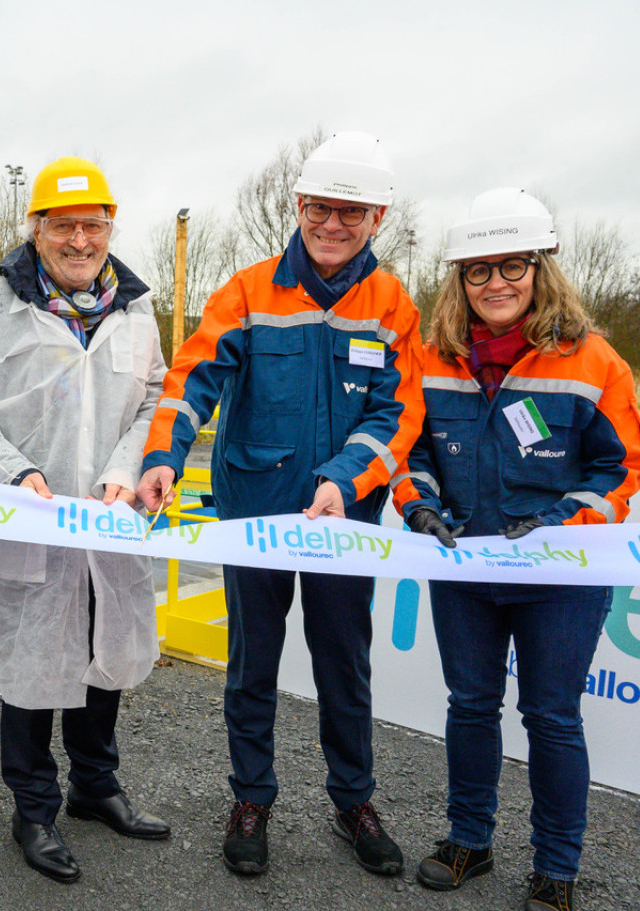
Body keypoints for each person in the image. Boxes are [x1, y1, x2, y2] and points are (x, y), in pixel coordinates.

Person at [137, 131, 422, 878]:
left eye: (351, 214)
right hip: (253, 514)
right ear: (299, 206)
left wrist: (342, 478)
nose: (333, 225)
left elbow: (398, 416)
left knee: (343, 668)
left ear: (377, 220)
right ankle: (251, 799)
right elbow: (192, 378)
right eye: (322, 209)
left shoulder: (394, 306)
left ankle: (353, 800)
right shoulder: (247, 290)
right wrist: (164, 458)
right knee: (251, 666)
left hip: (343, 521)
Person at [392, 188, 640, 911]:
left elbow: (622, 466)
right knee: (471, 706)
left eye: (512, 266)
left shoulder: (592, 359)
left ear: (540, 269)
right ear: (459, 280)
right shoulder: (431, 356)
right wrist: (421, 508)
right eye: (479, 271)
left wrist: (564, 522)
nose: (496, 283)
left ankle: (556, 868)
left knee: (552, 715)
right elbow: (407, 451)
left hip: (561, 575)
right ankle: (468, 840)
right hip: (465, 568)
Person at [0, 157, 170, 884]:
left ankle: (94, 785)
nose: (79, 240)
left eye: (93, 225)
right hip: (29, 515)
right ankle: (33, 807)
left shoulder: (136, 309)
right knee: (33, 666)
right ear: (35, 229)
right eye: (63, 225)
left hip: (109, 518)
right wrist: (16, 473)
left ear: (110, 228)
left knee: (105, 652)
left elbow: (154, 400)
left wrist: (126, 471)